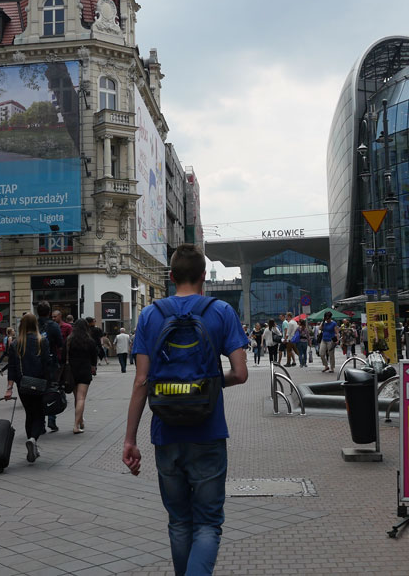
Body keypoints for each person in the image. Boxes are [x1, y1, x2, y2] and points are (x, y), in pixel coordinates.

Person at [123, 243, 249, 576]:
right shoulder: (221, 311)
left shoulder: (150, 315)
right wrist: (206, 385)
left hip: (165, 432)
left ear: (171, 276)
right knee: (207, 523)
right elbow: (240, 373)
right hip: (209, 431)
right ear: (204, 276)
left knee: (179, 521)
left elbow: (141, 381)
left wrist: (130, 439)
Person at [4, 312, 55, 462]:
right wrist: (50, 383)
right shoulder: (42, 341)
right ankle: (33, 439)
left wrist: (9, 388)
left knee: (29, 414)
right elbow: (47, 364)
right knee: (39, 414)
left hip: (23, 384)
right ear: (35, 324)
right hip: (39, 383)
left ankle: (32, 443)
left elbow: (12, 367)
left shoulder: (15, 344)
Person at [67, 319, 98, 433]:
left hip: (72, 370)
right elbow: (94, 356)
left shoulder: (69, 340)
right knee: (81, 398)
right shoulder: (89, 341)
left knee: (77, 397)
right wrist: (93, 366)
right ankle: (76, 425)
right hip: (84, 370)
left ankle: (80, 421)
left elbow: (64, 354)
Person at [37, 301, 64, 433]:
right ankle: (51, 420)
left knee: (38, 392)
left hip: (36, 363)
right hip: (51, 362)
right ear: (49, 312)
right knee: (51, 390)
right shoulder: (53, 325)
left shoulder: (34, 325)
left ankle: (40, 424)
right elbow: (60, 344)